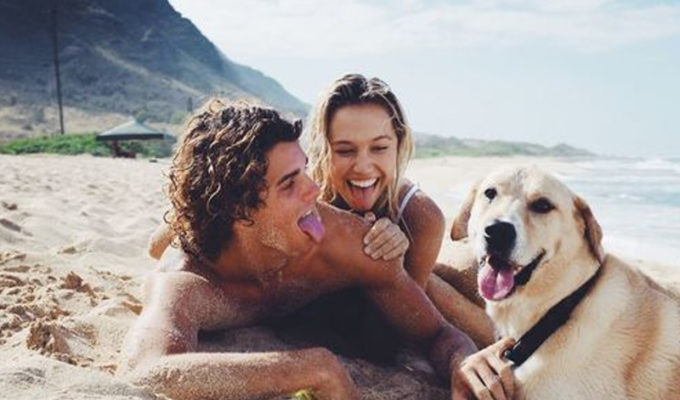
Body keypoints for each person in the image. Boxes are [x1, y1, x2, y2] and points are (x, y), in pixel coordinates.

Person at [119, 100, 483, 399]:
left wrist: (462, 363)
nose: (314, 190)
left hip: (228, 223)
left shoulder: (343, 239)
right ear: (240, 211)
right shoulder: (189, 280)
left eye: (305, 171)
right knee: (166, 238)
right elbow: (145, 371)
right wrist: (313, 367)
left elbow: (437, 334)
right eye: (289, 183)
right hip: (207, 231)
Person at [305, 73, 495, 349]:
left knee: (441, 283)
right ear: (322, 149)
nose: (363, 167)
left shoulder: (421, 217)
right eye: (345, 151)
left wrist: (393, 265)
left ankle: (516, 344)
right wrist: (350, 240)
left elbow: (402, 333)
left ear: (398, 145)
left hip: (398, 310)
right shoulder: (302, 199)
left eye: (379, 148)